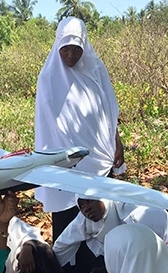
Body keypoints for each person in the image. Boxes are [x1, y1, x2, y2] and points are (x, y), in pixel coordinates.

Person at [34, 16, 125, 242]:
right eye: (65, 49)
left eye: (77, 49)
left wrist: (117, 141)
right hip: (65, 166)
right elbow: (46, 125)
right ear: (57, 46)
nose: (71, 55)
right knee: (68, 223)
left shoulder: (95, 70)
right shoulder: (48, 78)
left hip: (98, 159)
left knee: (101, 219)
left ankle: (102, 271)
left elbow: (109, 111)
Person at [52, 195, 168, 273]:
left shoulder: (128, 211)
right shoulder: (84, 220)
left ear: (101, 197)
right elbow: (62, 245)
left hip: (142, 261)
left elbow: (137, 256)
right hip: (110, 257)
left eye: (89, 201)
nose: (86, 209)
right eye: (82, 206)